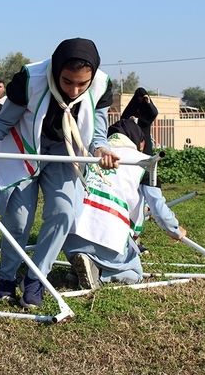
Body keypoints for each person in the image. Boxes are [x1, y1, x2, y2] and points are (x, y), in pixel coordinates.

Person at [0, 38, 119, 308]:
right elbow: (2, 122)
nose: (74, 90)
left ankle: (36, 277)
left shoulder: (101, 84)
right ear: (55, 71)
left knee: (63, 212)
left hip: (65, 153)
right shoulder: (31, 79)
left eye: (81, 84)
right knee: (18, 219)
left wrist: (101, 150)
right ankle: (6, 279)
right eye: (67, 81)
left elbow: (98, 133)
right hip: (24, 150)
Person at [63, 119, 186, 289]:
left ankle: (80, 265)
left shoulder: (93, 154)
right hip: (108, 239)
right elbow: (158, 207)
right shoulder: (145, 162)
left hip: (69, 235)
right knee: (135, 274)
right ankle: (99, 273)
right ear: (141, 143)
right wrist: (175, 230)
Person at [120, 87, 158, 156]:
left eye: (142, 97)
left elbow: (154, 114)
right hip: (132, 140)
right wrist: (130, 120)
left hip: (145, 140)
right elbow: (123, 119)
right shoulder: (132, 106)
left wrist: (149, 103)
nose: (140, 99)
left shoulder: (147, 108)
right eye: (139, 97)